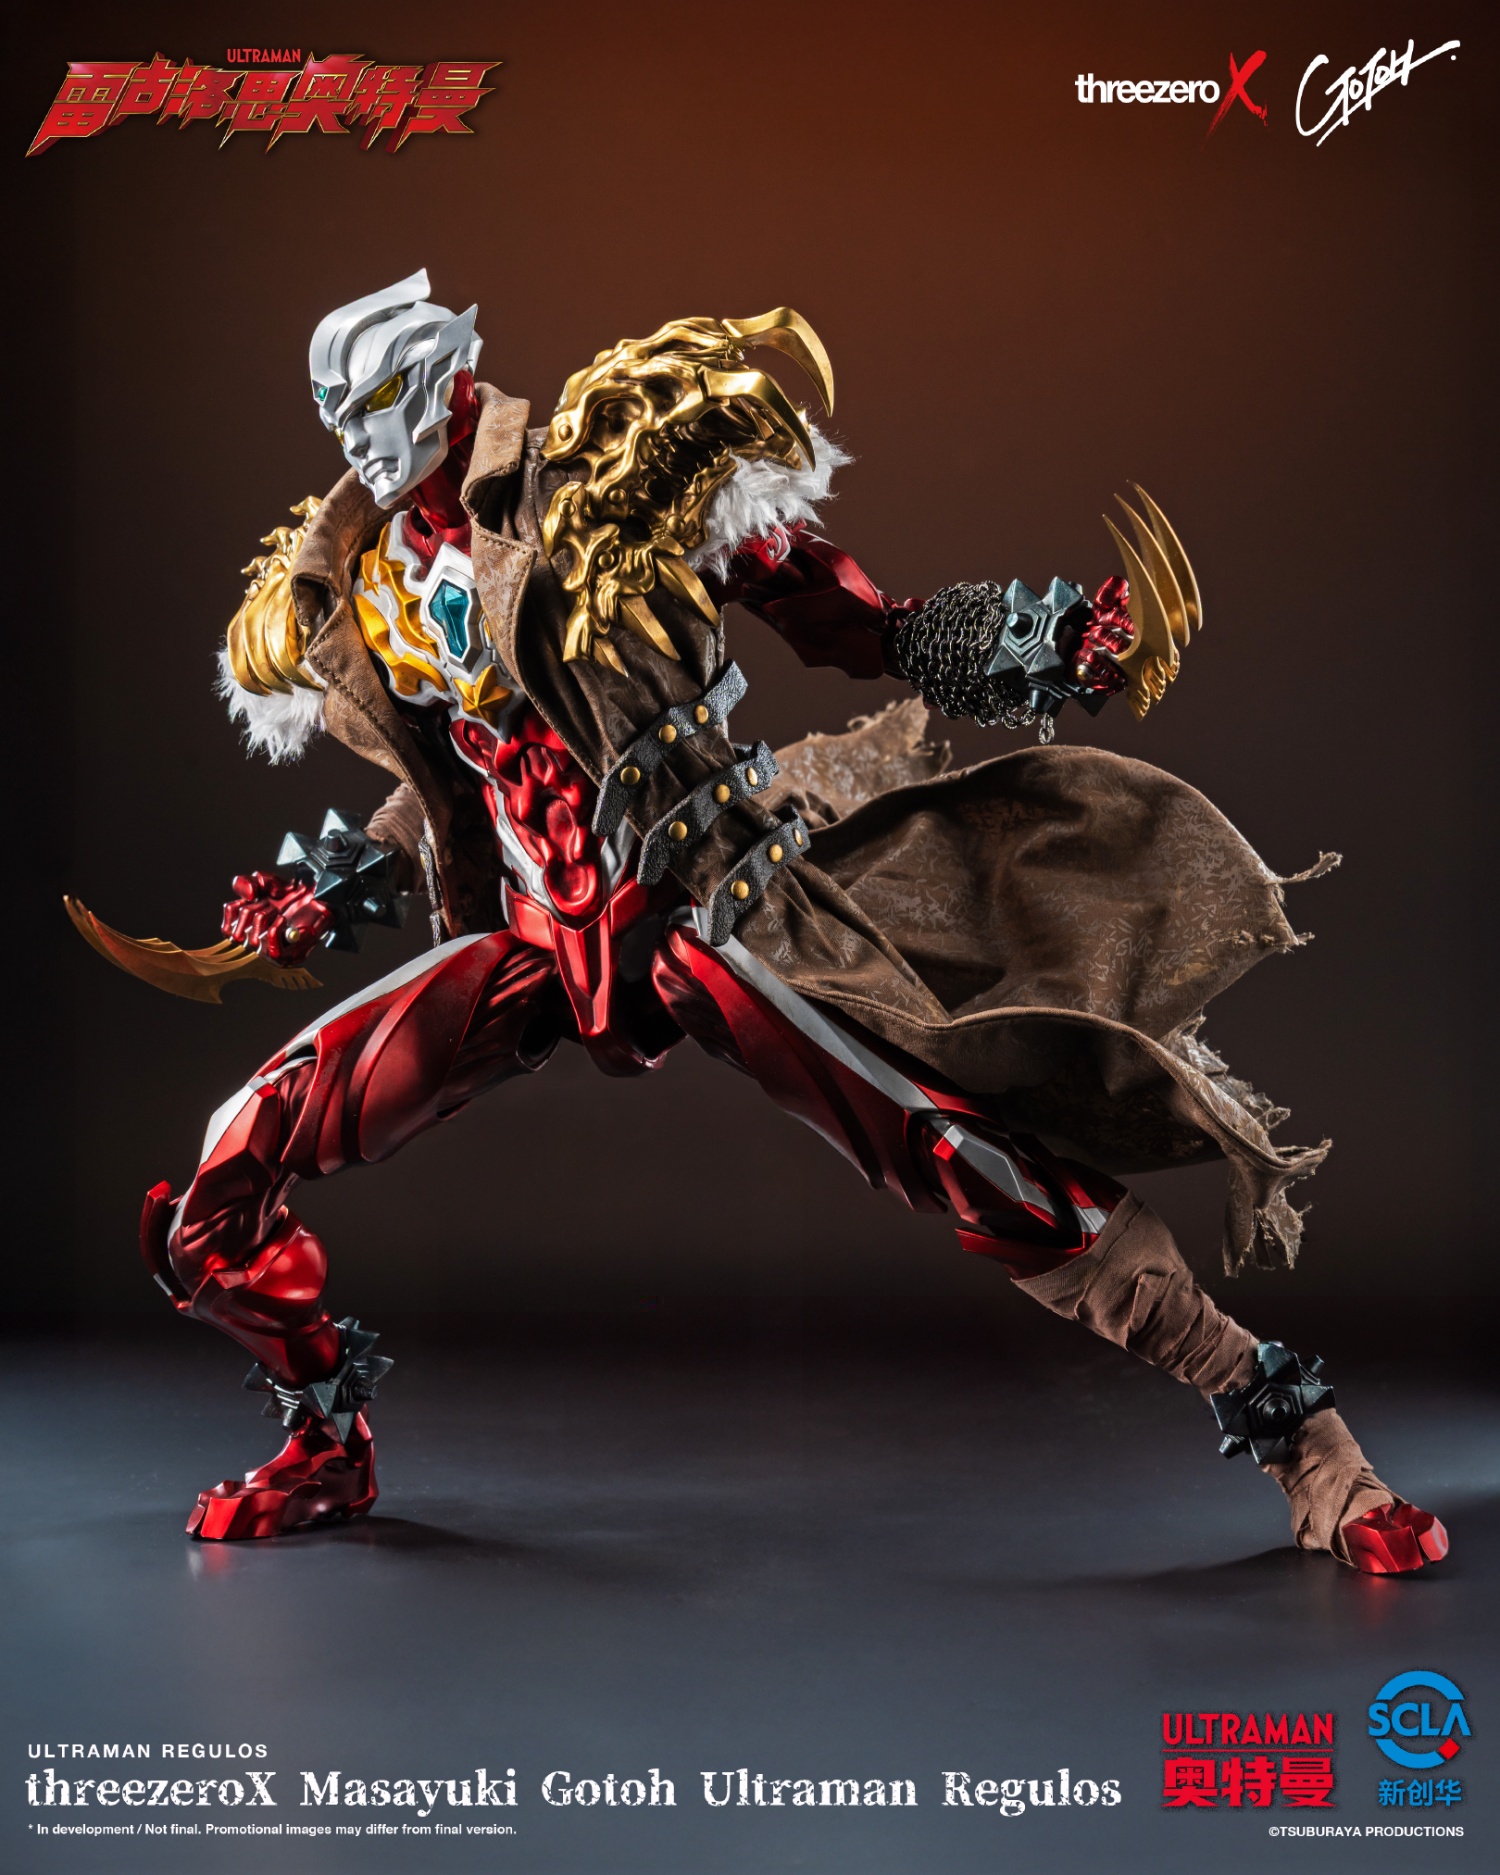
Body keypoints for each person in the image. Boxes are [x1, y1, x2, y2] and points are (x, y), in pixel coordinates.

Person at [70, 271, 1446, 1574]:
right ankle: (326, 1443)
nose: (355, 443)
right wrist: (325, 888)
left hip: (703, 899)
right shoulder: (367, 582)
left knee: (973, 1163)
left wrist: (1041, 640)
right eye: (334, 417)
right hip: (544, 939)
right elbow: (459, 782)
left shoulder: (605, 481)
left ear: (447, 384)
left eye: (374, 405)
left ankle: (1306, 1442)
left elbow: (857, 619)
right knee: (231, 1159)